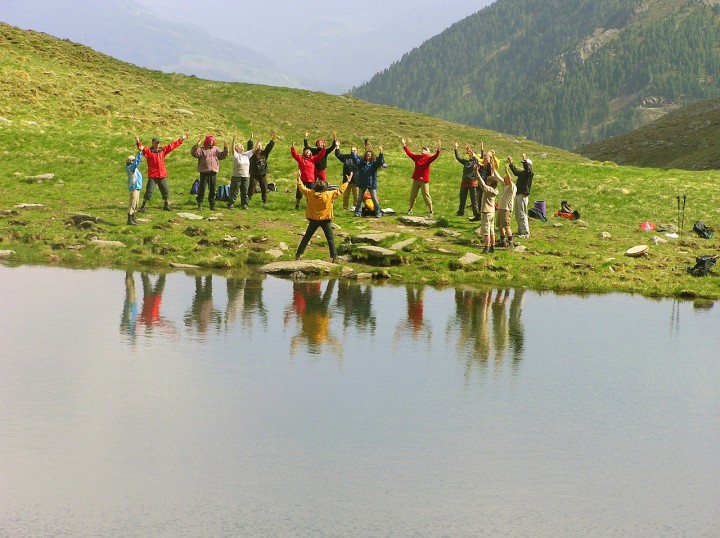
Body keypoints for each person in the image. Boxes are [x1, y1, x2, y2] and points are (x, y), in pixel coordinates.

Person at [295, 171, 351, 263]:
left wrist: (299, 178)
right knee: (330, 239)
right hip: (326, 220)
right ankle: (334, 257)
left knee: (306, 237)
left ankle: (298, 254)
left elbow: (301, 187)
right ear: (325, 188)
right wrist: (347, 182)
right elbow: (340, 190)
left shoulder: (310, 193)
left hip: (313, 220)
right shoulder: (329, 194)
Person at [135, 133, 188, 212]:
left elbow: (172, 146)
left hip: (162, 175)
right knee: (149, 191)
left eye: (158, 143)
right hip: (153, 175)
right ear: (152, 143)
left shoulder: (162, 150)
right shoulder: (149, 152)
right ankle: (143, 206)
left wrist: (181, 139)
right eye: (156, 143)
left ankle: (166, 205)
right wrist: (138, 141)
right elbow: (142, 148)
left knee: (165, 190)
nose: (157, 144)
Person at [402, 137, 441, 215]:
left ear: (427, 152)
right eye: (423, 149)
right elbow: (409, 153)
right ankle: (410, 210)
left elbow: (436, 156)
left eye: (425, 149)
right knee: (412, 195)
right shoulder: (417, 157)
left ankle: (431, 211)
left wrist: (439, 148)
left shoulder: (428, 159)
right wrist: (404, 144)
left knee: (426, 195)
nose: (423, 150)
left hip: (424, 181)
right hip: (416, 179)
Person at [191, 134, 228, 210]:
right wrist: (196, 146)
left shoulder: (216, 149)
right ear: (206, 141)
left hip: (213, 172)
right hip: (204, 172)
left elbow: (223, 156)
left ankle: (212, 205)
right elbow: (194, 154)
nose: (211, 142)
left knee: (212, 189)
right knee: (202, 189)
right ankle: (200, 204)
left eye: (212, 141)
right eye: (209, 141)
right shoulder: (201, 149)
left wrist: (225, 148)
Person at [291, 141, 326, 209]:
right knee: (299, 192)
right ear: (304, 152)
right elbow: (294, 154)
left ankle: (309, 205)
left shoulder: (313, 159)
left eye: (309, 152)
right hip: (301, 179)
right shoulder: (300, 158)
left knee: (311, 194)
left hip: (310, 179)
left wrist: (324, 149)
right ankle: (297, 204)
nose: (307, 153)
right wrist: (293, 147)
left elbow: (320, 156)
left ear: (310, 153)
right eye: (306, 151)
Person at [475, 161, 501, 254]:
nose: (487, 181)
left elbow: (482, 185)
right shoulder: (495, 190)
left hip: (486, 212)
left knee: (486, 231)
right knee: (491, 230)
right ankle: (492, 247)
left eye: (488, 181)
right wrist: (493, 171)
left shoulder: (488, 190)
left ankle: (486, 247)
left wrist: (477, 173)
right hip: (492, 212)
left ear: (491, 183)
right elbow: (492, 180)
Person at [352, 146, 384, 218]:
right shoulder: (361, 163)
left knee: (374, 199)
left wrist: (381, 153)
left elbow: (380, 162)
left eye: (369, 156)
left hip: (371, 183)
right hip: (362, 183)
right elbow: (356, 161)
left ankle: (378, 212)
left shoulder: (374, 164)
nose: (368, 157)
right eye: (367, 155)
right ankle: (357, 213)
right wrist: (353, 153)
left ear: (371, 156)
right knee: (359, 199)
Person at [454, 141, 482, 221]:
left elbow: (476, 157)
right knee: (462, 197)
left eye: (471, 152)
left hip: (472, 182)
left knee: (474, 199)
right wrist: (456, 148)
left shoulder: (475, 161)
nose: (470, 153)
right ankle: (460, 211)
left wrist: (470, 150)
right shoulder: (466, 162)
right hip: (464, 181)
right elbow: (458, 158)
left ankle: (476, 215)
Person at [509, 153, 534, 238]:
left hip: (523, 195)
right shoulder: (523, 173)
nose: (523, 166)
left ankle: (526, 232)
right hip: (518, 194)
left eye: (525, 164)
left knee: (522, 213)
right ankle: (520, 231)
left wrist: (524, 159)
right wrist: (511, 163)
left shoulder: (529, 173)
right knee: (518, 213)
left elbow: (528, 169)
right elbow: (515, 171)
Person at [247, 132, 276, 205]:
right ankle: (247, 200)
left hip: (263, 174)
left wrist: (272, 140)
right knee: (252, 187)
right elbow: (249, 148)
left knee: (264, 187)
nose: (258, 146)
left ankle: (265, 201)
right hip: (254, 174)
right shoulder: (252, 154)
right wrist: (251, 139)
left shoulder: (264, 153)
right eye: (257, 145)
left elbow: (269, 148)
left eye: (260, 145)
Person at [228, 135, 254, 209]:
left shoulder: (246, 155)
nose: (242, 147)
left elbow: (254, 150)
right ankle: (231, 204)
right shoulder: (236, 155)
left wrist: (257, 140)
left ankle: (244, 204)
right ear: (237, 149)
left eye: (242, 146)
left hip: (245, 176)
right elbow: (232, 149)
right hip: (236, 176)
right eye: (240, 146)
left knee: (244, 191)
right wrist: (233, 140)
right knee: (234, 191)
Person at [334, 140, 360, 210]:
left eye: (354, 150)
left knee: (356, 196)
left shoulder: (360, 158)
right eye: (352, 150)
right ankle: (345, 208)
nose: (353, 151)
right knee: (346, 195)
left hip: (356, 180)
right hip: (346, 180)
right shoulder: (346, 157)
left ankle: (356, 208)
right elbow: (338, 155)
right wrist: (337, 146)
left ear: (357, 151)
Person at [497, 165, 517, 247]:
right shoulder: (505, 186)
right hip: (500, 208)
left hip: (506, 209)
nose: (503, 180)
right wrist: (493, 168)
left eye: (505, 179)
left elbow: (508, 179)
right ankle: (502, 241)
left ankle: (511, 243)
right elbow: (498, 177)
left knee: (506, 226)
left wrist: (506, 171)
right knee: (499, 226)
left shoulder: (512, 187)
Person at [125, 147, 143, 226]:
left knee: (135, 204)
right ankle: (130, 219)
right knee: (132, 203)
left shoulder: (134, 168)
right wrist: (140, 153)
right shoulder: (130, 168)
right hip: (134, 188)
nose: (134, 161)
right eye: (133, 160)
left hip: (137, 188)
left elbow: (137, 163)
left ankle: (133, 218)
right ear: (130, 161)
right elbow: (137, 163)